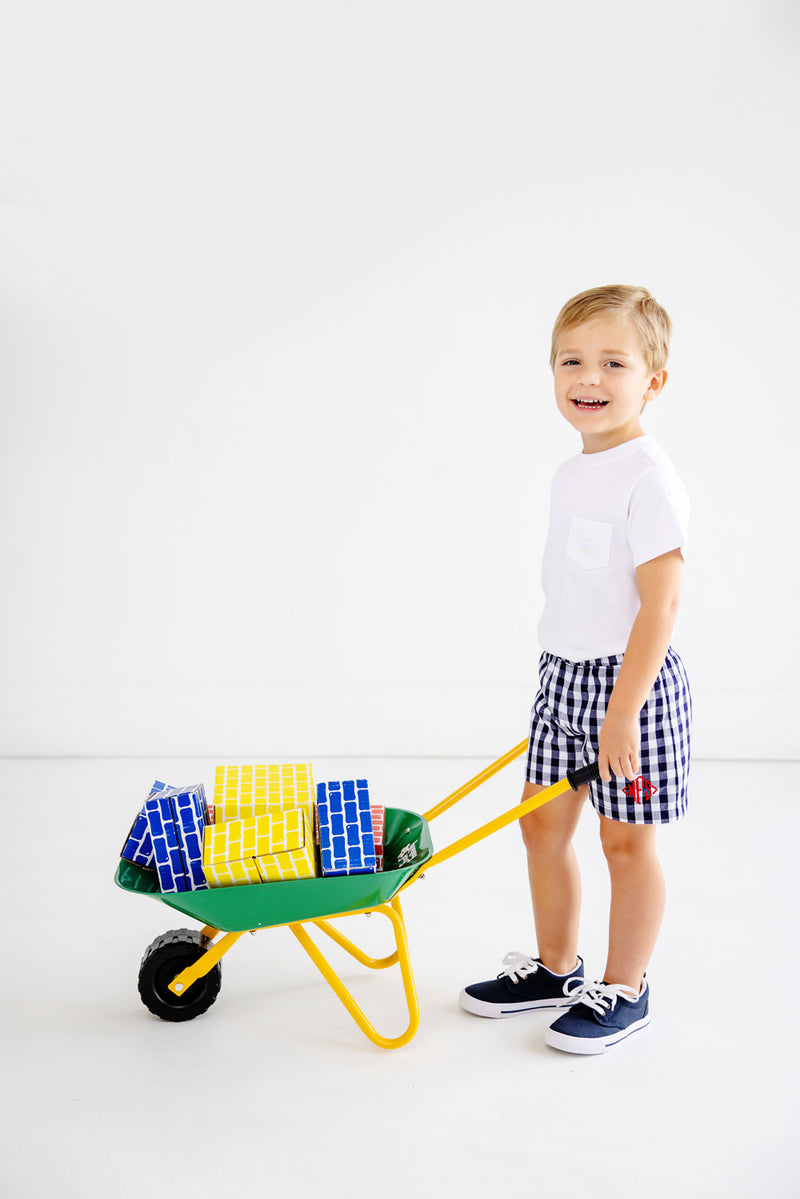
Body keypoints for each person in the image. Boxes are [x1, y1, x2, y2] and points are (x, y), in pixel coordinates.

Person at [459, 284, 691, 1054]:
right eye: (571, 360)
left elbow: (658, 608)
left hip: (633, 687)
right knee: (541, 826)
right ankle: (558, 967)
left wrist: (623, 710)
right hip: (562, 676)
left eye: (612, 362)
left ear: (652, 381)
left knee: (625, 842)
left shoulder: (648, 477)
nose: (587, 378)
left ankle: (627, 986)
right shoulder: (571, 471)